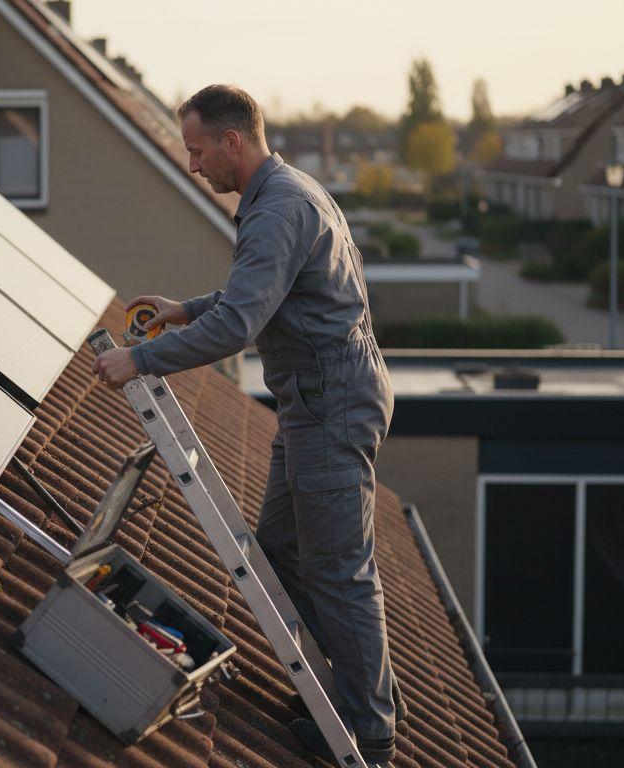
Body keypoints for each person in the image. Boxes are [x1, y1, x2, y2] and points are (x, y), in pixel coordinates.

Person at [92, 84, 402, 764]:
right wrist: (186, 309)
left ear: (232, 141)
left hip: (330, 406)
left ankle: (370, 730)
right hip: (316, 402)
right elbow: (263, 292)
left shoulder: (278, 208)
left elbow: (240, 325)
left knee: (337, 568)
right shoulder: (285, 193)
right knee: (282, 551)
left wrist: (138, 359)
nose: (193, 165)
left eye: (198, 151)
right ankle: (347, 688)